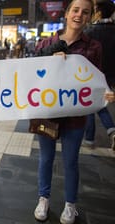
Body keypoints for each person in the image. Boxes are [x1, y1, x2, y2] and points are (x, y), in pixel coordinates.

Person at [32, 0, 115, 224]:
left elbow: (97, 77)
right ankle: (43, 198)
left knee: (70, 161)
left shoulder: (93, 47)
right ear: (67, 13)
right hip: (47, 113)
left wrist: (105, 92)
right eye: (75, 10)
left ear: (89, 17)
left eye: (85, 12)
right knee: (46, 159)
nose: (79, 15)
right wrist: (51, 55)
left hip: (76, 116)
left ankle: (70, 205)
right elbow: (31, 71)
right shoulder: (47, 42)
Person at [83, 0, 115, 150]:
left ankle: (89, 139)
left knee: (90, 104)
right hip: (110, 76)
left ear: (98, 12)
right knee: (101, 103)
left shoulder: (90, 32)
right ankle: (112, 130)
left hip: (92, 74)